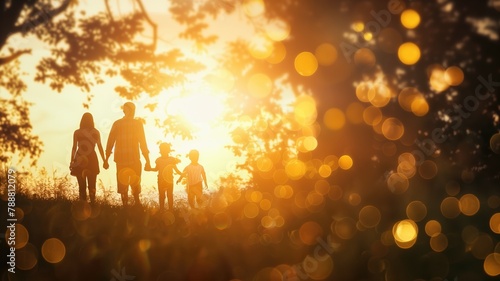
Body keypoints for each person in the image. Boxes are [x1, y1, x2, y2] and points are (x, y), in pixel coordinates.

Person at [103, 102, 151, 207]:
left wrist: (106, 159)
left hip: (121, 159)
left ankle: (126, 206)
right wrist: (147, 161)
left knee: (123, 183)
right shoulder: (137, 124)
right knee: (135, 182)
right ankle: (136, 204)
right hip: (133, 158)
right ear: (130, 110)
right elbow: (143, 142)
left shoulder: (117, 123)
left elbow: (110, 142)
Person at [70, 112, 106, 204]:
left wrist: (72, 161)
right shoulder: (96, 132)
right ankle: (93, 203)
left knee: (81, 185)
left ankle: (82, 204)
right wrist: (104, 160)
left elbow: (74, 147)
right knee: (92, 184)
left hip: (79, 158)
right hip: (92, 158)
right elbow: (100, 147)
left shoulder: (77, 132)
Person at [145, 143, 182, 211]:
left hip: (169, 180)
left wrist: (182, 174)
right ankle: (162, 209)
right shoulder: (158, 160)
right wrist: (149, 169)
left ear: (168, 150)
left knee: (169, 195)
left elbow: (176, 170)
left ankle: (170, 209)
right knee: (162, 196)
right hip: (161, 180)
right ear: (160, 151)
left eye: (164, 150)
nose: (163, 151)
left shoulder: (172, 159)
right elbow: (156, 169)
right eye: (162, 150)